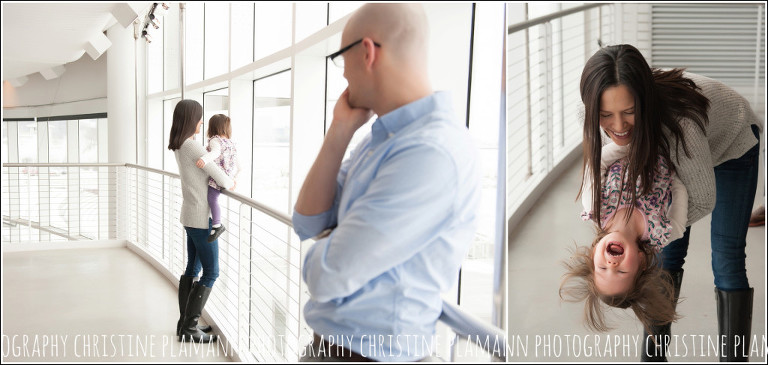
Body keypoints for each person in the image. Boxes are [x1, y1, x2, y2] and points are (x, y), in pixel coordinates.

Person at [291, 3, 480, 362]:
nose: (343, 74)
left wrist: (329, 245)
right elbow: (308, 222)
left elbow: (327, 275)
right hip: (336, 349)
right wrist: (340, 130)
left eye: (340, 58)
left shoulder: (431, 152)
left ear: (366, 52)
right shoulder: (380, 138)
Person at [575, 44, 761, 361]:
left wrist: (656, 227)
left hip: (730, 143)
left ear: (644, 103)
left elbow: (702, 198)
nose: (618, 127)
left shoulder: (680, 126)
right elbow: (609, 159)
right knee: (666, 260)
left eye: (629, 111)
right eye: (606, 115)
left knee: (727, 258)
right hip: (668, 164)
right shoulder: (594, 113)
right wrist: (650, 240)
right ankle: (653, 356)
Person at [560, 141, 689, 337]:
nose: (611, 263)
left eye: (603, 268)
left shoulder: (595, 207)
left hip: (624, 137)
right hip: (666, 146)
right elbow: (680, 225)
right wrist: (675, 177)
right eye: (620, 271)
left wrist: (632, 143)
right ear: (642, 261)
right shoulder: (658, 232)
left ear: (594, 253)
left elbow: (598, 163)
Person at [168, 100, 236, 343]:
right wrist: (232, 179)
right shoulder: (193, 147)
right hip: (200, 219)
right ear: (191, 119)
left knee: (193, 269)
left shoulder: (180, 145)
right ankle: (189, 327)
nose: (201, 122)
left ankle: (185, 325)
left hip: (190, 214)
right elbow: (224, 181)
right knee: (211, 272)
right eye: (199, 117)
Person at [195, 114, 241, 243]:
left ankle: (217, 225)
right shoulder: (231, 143)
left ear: (213, 127)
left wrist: (203, 159)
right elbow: (240, 167)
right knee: (213, 199)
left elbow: (215, 153)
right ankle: (215, 223)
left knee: (212, 198)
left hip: (217, 176)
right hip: (227, 177)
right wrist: (234, 179)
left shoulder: (215, 140)